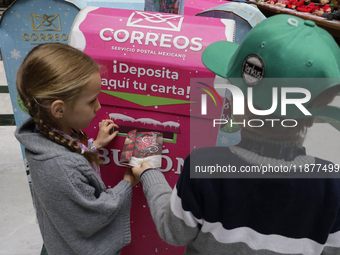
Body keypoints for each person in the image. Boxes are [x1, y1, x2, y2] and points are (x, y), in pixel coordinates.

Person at [131, 14, 340, 254]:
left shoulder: (204, 168)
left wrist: (149, 172)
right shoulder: (331, 185)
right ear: (316, 112)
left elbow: (174, 232)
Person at [15, 43, 138, 255]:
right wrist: (129, 181)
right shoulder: (61, 166)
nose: (99, 107)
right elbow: (97, 212)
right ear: (59, 109)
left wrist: (94, 146)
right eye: (91, 101)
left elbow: (68, 161)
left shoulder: (42, 134)